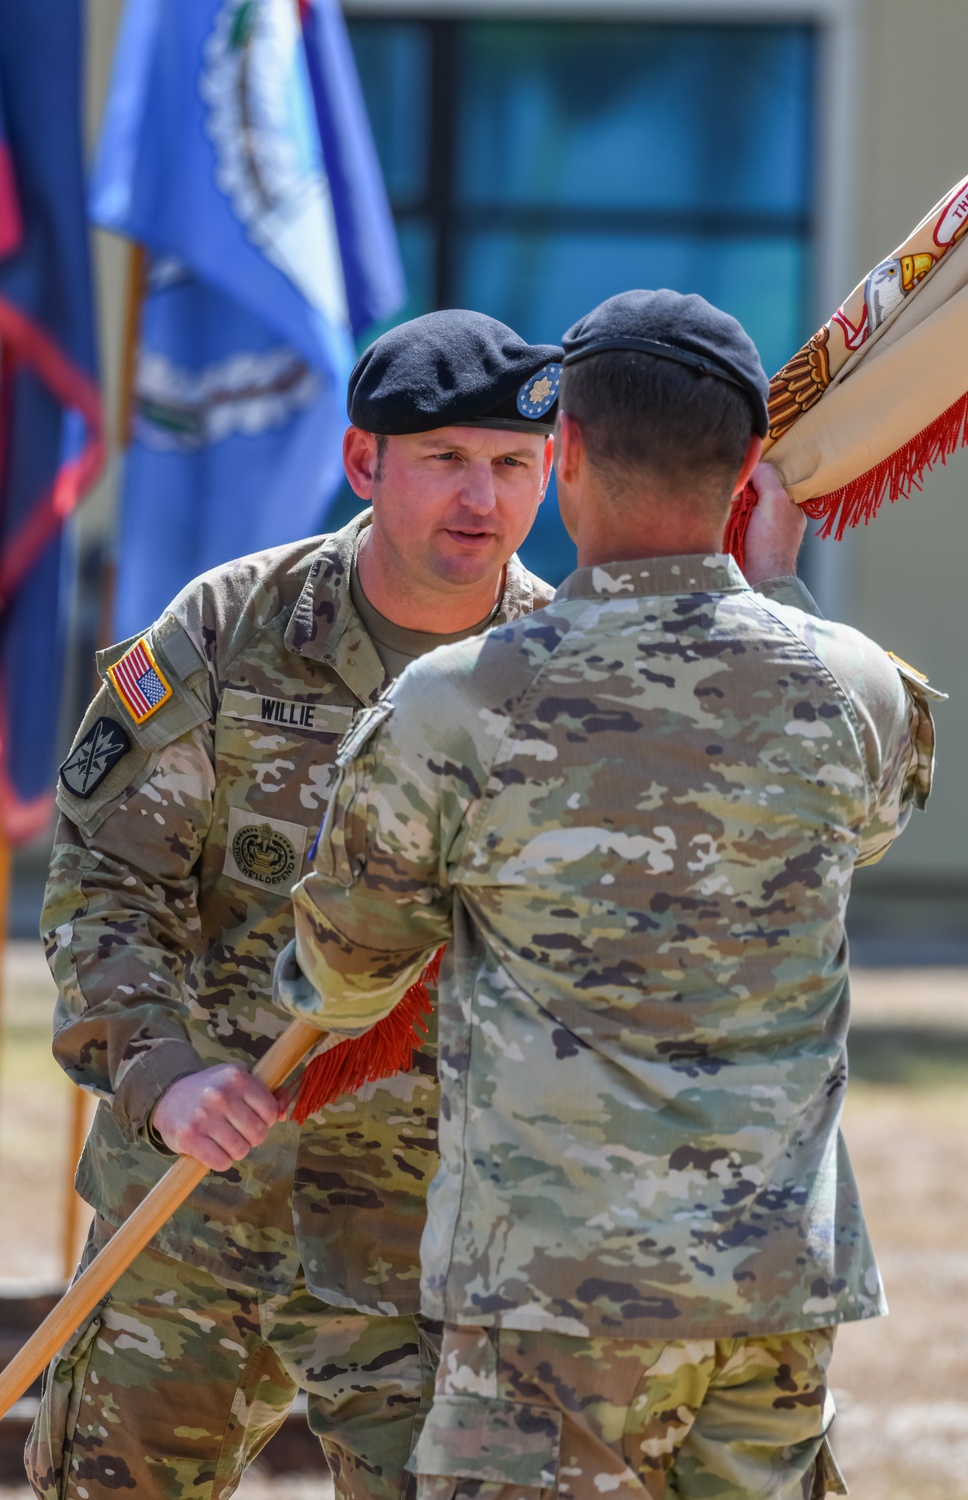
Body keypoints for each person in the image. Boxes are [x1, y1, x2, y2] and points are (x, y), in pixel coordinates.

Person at [279, 289, 942, 1499]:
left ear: (564, 451)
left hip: (552, 1293)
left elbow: (347, 971)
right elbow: (870, 823)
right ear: (748, 464)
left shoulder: (455, 703)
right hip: (772, 1287)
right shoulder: (855, 686)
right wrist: (778, 592)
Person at [28, 309, 566, 1500]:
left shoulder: (564, 675)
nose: (481, 499)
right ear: (362, 462)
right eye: (444, 461)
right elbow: (106, 883)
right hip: (197, 1212)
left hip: (429, 1247)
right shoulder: (230, 632)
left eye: (513, 465)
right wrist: (161, 1072)